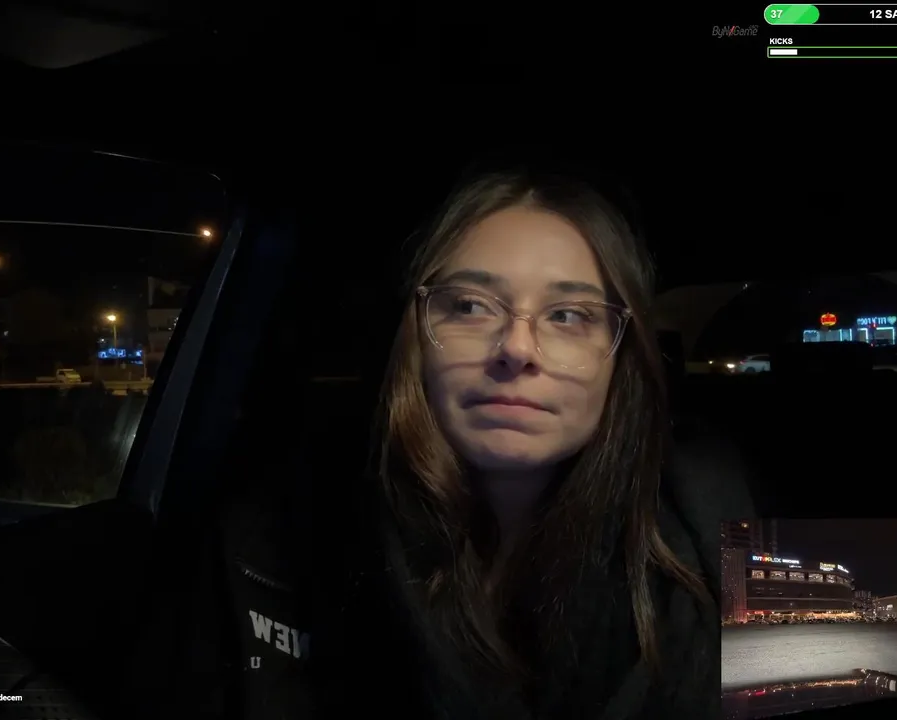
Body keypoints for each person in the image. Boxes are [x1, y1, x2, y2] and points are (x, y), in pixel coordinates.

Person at [142, 168, 721, 720]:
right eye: (469, 306)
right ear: (416, 337)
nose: (517, 348)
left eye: (569, 315)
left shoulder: (742, 542)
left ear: (622, 356)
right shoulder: (277, 534)